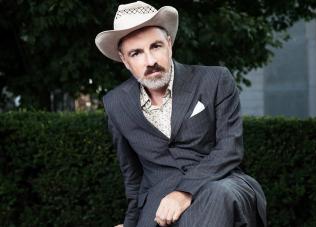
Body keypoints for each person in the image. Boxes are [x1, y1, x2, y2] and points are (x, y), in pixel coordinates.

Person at [95, 1, 267, 227]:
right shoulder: (115, 103)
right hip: (157, 203)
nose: (150, 61)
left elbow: (230, 148)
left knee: (217, 196)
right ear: (125, 61)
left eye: (155, 46)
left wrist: (184, 192)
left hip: (221, 183)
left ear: (169, 44)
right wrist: (130, 223)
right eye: (136, 53)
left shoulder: (215, 80)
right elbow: (132, 177)